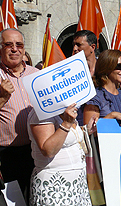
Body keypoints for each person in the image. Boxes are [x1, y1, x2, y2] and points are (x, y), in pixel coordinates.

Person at [0, 28, 38, 201]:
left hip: (36, 152)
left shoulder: (37, 75)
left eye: (19, 44)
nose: (14, 49)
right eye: (9, 44)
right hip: (7, 157)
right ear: (1, 48)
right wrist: (2, 97)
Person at [27, 103, 92, 205]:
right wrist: (66, 123)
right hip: (55, 186)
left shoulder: (64, 110)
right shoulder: (41, 114)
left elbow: (70, 138)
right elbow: (48, 150)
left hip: (77, 185)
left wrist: (87, 130)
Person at [83, 50, 121, 128]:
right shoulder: (95, 97)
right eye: (119, 66)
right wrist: (111, 116)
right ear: (107, 67)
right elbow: (88, 130)